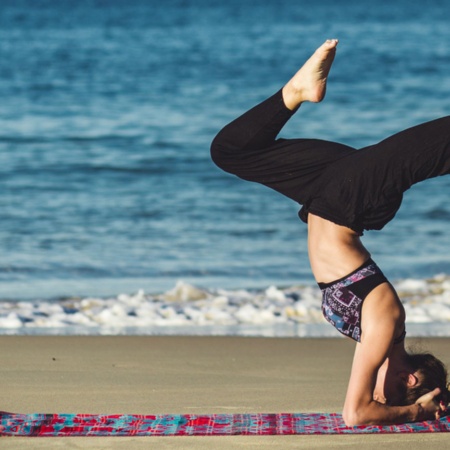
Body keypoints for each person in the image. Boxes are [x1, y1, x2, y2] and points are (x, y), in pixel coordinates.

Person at [210, 39, 450, 426]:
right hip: (351, 201)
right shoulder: (386, 324)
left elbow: (359, 410)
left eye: (380, 399)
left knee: (230, 151)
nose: (376, 397)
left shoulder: (375, 340)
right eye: (385, 395)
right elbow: (356, 414)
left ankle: (297, 92)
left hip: (326, 194)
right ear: (408, 379)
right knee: (434, 147)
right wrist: (416, 412)